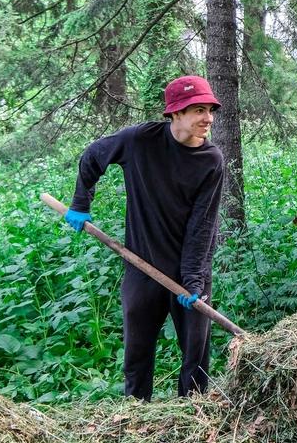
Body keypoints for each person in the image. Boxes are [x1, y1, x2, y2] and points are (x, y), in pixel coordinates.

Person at [65, 75, 226, 401]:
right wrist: (81, 203)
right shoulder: (139, 140)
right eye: (199, 110)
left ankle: (193, 419)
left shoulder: (211, 161)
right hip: (142, 267)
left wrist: (193, 280)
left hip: (189, 273)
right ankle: (135, 413)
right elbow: (94, 155)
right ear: (176, 113)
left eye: (210, 110)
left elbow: (202, 227)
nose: (208, 118)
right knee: (137, 352)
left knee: (196, 356)